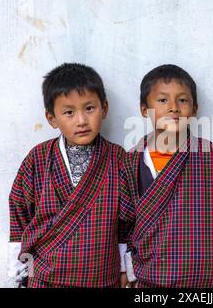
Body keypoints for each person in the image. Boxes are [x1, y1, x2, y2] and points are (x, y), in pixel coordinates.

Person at [120, 64, 213, 287]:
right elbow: (125, 222)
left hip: (207, 279)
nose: (173, 108)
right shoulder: (130, 161)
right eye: (163, 100)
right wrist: (126, 267)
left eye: (182, 100)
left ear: (195, 108)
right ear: (144, 109)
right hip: (151, 278)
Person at [8, 63, 127, 287]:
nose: (81, 121)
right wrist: (22, 272)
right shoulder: (38, 159)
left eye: (90, 108)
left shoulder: (118, 158)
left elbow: (126, 222)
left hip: (101, 277)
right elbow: (19, 213)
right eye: (69, 112)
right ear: (52, 118)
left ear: (104, 108)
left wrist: (124, 268)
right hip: (46, 278)